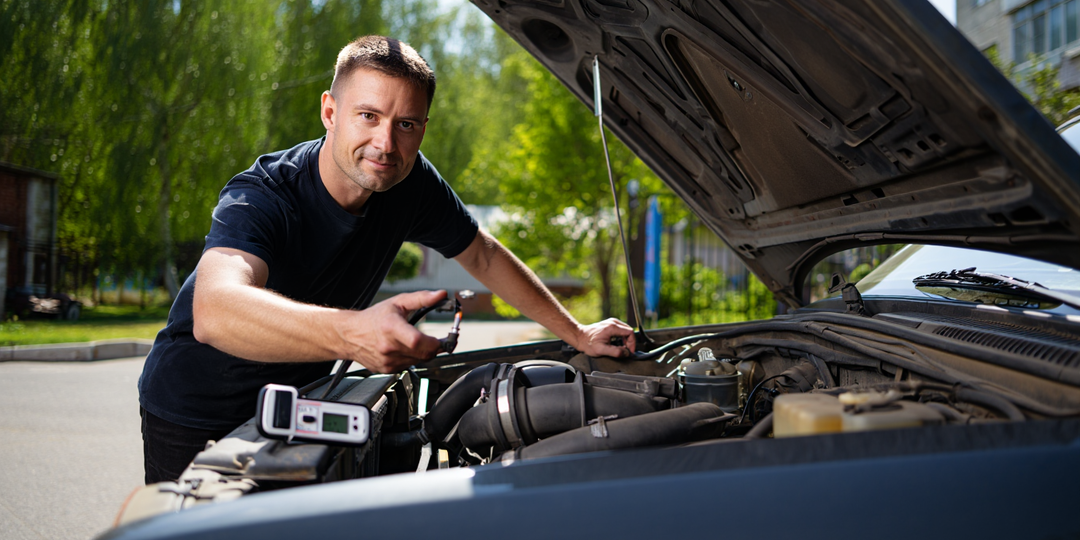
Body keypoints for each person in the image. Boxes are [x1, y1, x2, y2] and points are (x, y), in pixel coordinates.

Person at [138, 35, 637, 484]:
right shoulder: (264, 195)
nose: (386, 143)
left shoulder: (412, 183)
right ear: (330, 112)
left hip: (305, 402)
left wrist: (577, 333)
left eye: (407, 124)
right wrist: (352, 332)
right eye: (368, 116)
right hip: (196, 409)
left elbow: (481, 254)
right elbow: (215, 311)